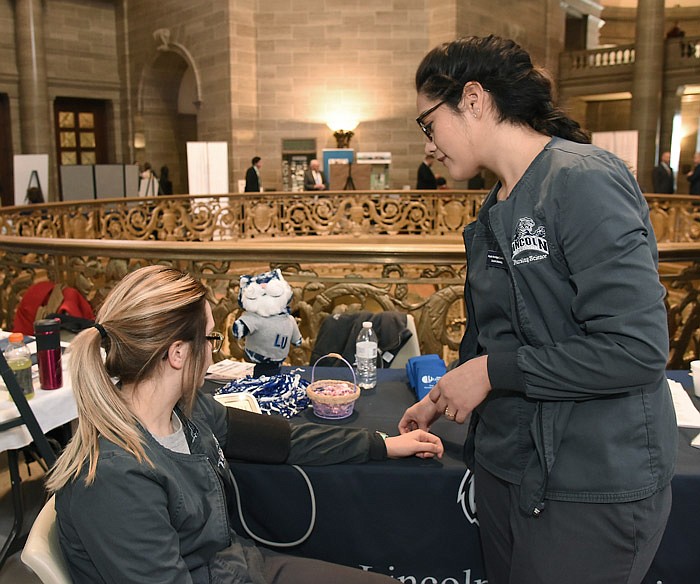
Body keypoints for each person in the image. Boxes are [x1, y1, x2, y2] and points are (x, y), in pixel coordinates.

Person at [401, 35, 677, 584]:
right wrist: (443, 394)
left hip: (588, 483)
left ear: (473, 99)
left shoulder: (582, 179)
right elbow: (499, 338)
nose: (428, 147)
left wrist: (490, 373)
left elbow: (637, 350)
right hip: (513, 469)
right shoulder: (497, 202)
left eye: (428, 124)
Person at [47, 265, 443, 584]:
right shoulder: (114, 479)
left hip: (235, 567)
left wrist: (382, 444)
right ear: (179, 354)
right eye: (211, 338)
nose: (213, 351)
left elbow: (284, 440)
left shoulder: (187, 413)